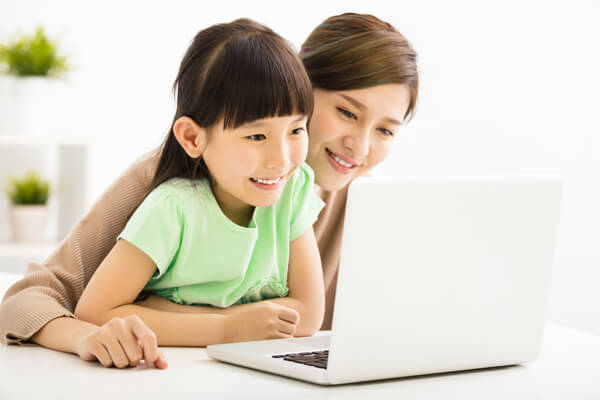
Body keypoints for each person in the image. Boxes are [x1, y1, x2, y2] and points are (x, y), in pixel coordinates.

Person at [0, 13, 418, 369]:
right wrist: (89, 335)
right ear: (298, 88)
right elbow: (31, 301)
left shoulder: (365, 204)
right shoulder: (167, 186)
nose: (359, 148)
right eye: (346, 112)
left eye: (385, 130)